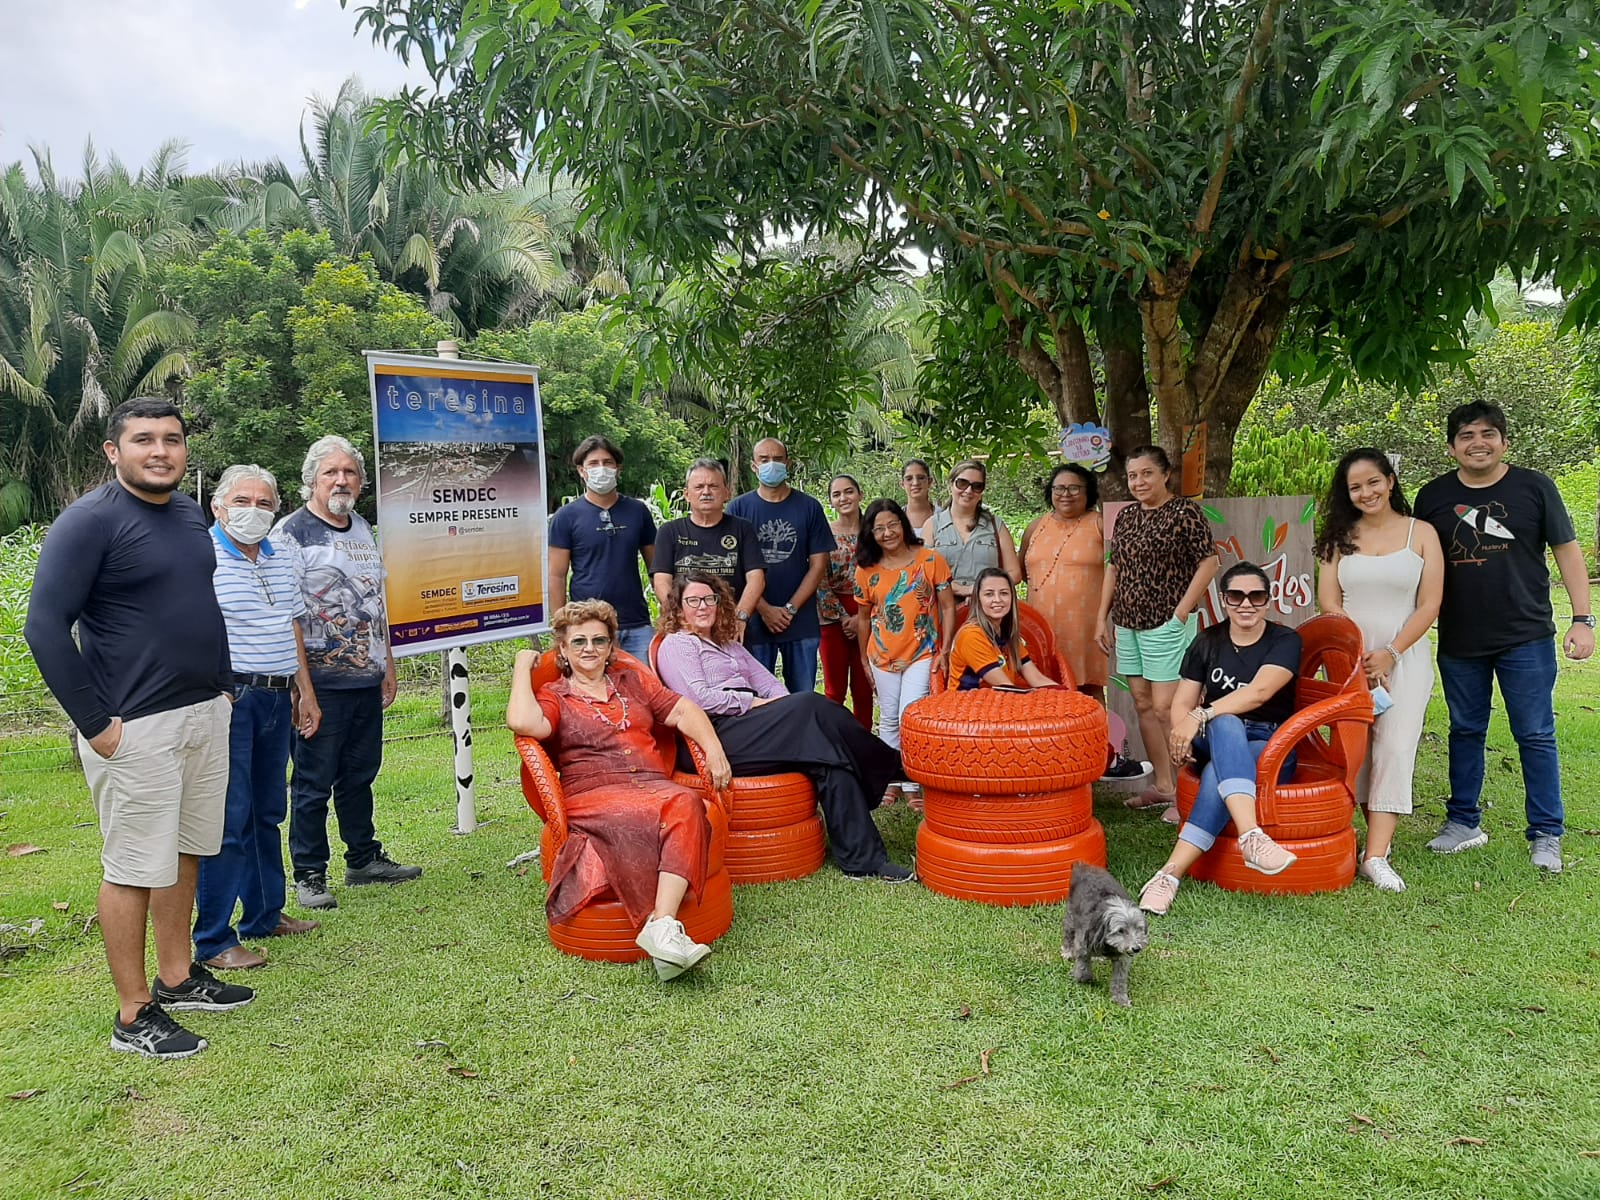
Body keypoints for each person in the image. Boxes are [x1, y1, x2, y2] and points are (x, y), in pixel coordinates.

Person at [24, 397, 252, 1059]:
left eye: (172, 439)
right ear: (113, 451)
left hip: (203, 713)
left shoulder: (185, 513)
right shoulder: (88, 523)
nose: (160, 451)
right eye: (144, 439)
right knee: (132, 867)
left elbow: (196, 603)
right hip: (135, 725)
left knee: (184, 851)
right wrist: (96, 725)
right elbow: (44, 626)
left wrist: (225, 686)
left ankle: (177, 976)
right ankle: (133, 1014)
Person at [506, 600, 736, 980]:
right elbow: (521, 721)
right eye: (578, 641)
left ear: (612, 645)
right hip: (593, 795)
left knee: (685, 802)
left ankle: (661, 928)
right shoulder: (555, 694)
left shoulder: (633, 682)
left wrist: (714, 750)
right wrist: (520, 666)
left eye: (599, 640)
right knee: (677, 804)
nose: (589, 649)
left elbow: (684, 711)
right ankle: (665, 928)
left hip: (651, 786)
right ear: (562, 649)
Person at [1413, 401, 1594, 873]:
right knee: (1465, 730)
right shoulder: (1432, 497)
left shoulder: (1535, 488)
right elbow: (1418, 563)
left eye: (1488, 434)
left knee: (1535, 734)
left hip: (1526, 636)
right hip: (1459, 638)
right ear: (1452, 446)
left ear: (1504, 441)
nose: (1478, 443)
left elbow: (1568, 553)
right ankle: (1462, 823)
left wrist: (1583, 618)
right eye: (1468, 435)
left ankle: (1547, 834)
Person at [656, 573, 915, 882]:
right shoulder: (678, 644)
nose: (703, 607)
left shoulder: (729, 645)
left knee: (828, 759)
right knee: (808, 704)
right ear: (678, 608)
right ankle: (894, 765)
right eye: (693, 601)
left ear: (720, 603)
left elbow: (770, 686)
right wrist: (757, 705)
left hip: (755, 726)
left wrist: (782, 709)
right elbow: (698, 699)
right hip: (713, 734)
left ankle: (863, 861)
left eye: (709, 599)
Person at [275, 435, 421, 912]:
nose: (341, 480)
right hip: (321, 683)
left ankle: (363, 858)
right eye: (330, 473)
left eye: (350, 472)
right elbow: (288, 617)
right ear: (311, 481)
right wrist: (304, 690)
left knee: (360, 775)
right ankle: (310, 873)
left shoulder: (360, 527)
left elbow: (377, 604)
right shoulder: (290, 534)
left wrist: (388, 665)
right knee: (314, 781)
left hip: (366, 677)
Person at [195, 465, 325, 971]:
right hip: (232, 699)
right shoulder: (201, 557)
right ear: (219, 507)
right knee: (227, 819)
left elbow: (292, 623)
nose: (254, 511)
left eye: (264, 502)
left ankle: (266, 913)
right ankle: (213, 939)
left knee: (267, 811)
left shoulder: (277, 555)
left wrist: (304, 691)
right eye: (243, 500)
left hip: (276, 696)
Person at [1137, 563, 1304, 916]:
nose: (1246, 604)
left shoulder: (1285, 640)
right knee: (1226, 724)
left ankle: (1168, 875)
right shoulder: (1208, 641)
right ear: (1224, 601)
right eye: (1236, 596)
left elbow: (1259, 692)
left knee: (1217, 769)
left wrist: (1201, 714)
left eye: (1256, 595)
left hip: (1270, 741)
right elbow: (1182, 702)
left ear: (1268, 601)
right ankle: (1252, 837)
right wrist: (1183, 732)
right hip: (1212, 734)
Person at [1316, 449, 1444, 893]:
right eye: (1355, 487)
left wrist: (1390, 652)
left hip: (1403, 659)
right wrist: (1358, 655)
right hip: (1349, 660)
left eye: (1373, 482)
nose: (1366, 492)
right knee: (1354, 751)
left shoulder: (1421, 534)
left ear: (1390, 481)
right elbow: (1329, 603)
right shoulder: (1338, 538)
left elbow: (1429, 603)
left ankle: (1375, 856)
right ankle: (1351, 839)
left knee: (1394, 746)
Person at [1095, 445, 1220, 816]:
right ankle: (1164, 786)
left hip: (1167, 624)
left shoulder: (1185, 512)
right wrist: (1102, 616)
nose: (1139, 482)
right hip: (1128, 623)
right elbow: (1115, 568)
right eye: (1133, 475)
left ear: (1165, 474)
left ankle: (1188, 793)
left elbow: (1210, 563)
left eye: (1147, 473)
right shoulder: (1127, 516)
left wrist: (1180, 613)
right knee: (1143, 703)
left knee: (1169, 709)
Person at [726, 438, 836, 692]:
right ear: (754, 466)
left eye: (777, 459)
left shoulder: (809, 507)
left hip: (800, 622)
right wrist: (763, 609)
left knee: (802, 698)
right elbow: (733, 566)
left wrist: (790, 609)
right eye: (764, 460)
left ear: (788, 463)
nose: (771, 465)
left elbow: (818, 565)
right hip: (753, 623)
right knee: (758, 699)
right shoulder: (738, 508)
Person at [855, 499, 956, 749]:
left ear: (904, 524)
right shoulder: (866, 570)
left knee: (909, 715)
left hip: (922, 652)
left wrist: (945, 651)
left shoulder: (930, 560)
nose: (887, 533)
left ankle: (911, 777)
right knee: (889, 720)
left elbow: (948, 606)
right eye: (879, 529)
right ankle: (892, 778)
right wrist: (863, 660)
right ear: (870, 533)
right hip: (882, 655)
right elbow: (864, 618)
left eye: (892, 525)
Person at [548, 435, 658, 660]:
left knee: (644, 689)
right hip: (587, 627)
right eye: (593, 464)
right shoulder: (566, 517)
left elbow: (657, 569)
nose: (601, 469)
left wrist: (670, 613)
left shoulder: (638, 511)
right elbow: (556, 575)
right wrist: (561, 625)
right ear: (581, 470)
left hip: (636, 624)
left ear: (618, 469)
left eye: (607, 463)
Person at [1020, 464, 1110, 699]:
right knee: (1044, 690)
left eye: (1073, 488)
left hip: (1087, 627)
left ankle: (1095, 736)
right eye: (1058, 488)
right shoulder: (1035, 527)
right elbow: (1022, 570)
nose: (1065, 494)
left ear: (1088, 491)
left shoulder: (1101, 524)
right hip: (1041, 626)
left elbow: (1119, 571)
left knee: (1088, 690)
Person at [652, 458, 765, 638]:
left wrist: (741, 617)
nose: (706, 492)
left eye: (713, 486)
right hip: (684, 628)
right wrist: (681, 617)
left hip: (731, 629)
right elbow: (661, 581)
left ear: (727, 493)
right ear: (687, 494)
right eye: (699, 487)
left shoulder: (743, 529)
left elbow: (756, 579)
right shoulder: (669, 531)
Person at [921, 459, 1022, 601]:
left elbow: (1015, 573)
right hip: (942, 610)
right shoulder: (932, 525)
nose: (968, 491)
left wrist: (983, 589)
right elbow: (923, 572)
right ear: (951, 484)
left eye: (976, 486)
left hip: (986, 611)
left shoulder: (995, 526)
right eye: (962, 483)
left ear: (982, 491)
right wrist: (960, 589)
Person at [819, 474, 874, 728]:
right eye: (837, 494)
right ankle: (836, 742)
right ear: (831, 500)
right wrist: (844, 618)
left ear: (860, 494)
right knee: (834, 689)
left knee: (864, 686)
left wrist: (863, 617)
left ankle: (865, 743)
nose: (844, 498)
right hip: (833, 618)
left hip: (870, 612)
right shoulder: (824, 534)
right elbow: (819, 580)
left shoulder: (875, 533)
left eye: (849, 491)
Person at [948, 568, 1060, 690]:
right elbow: (1005, 687)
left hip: (1002, 702)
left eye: (1004, 593)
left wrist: (1068, 695)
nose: (997, 599)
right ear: (978, 599)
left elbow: (1036, 678)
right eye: (989, 594)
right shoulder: (971, 635)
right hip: (967, 705)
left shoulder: (1007, 633)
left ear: (1012, 598)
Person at [899, 458, 936, 535]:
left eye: (921, 478)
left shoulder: (944, 517)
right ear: (902, 484)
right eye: (909, 479)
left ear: (930, 482)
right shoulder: (896, 519)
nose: (915, 483)